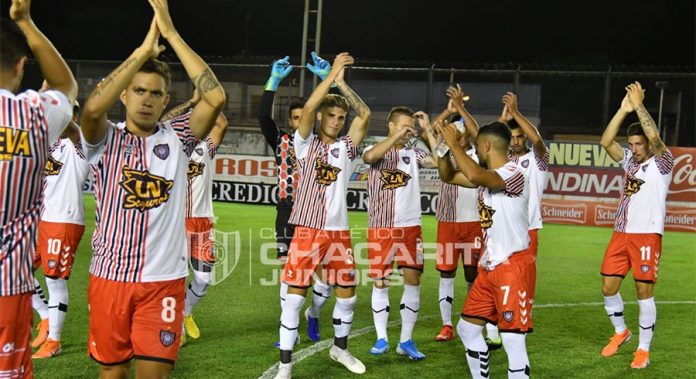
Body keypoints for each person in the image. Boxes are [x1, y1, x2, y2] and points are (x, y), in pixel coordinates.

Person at [79, 0, 225, 376]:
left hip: (163, 282)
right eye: (139, 90)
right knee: (112, 373)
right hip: (111, 278)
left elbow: (215, 98)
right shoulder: (105, 140)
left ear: (166, 100)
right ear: (124, 95)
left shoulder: (178, 137)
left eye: (155, 93)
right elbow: (92, 111)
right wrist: (142, 51)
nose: (146, 99)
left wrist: (171, 33)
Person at [276, 52, 370, 379]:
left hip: (339, 232)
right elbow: (309, 109)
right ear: (319, 118)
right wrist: (329, 76)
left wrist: (342, 84)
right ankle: (285, 368)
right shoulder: (304, 144)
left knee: (348, 296)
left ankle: (339, 349)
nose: (336, 120)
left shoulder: (346, 148)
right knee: (293, 301)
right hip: (308, 230)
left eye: (340, 117)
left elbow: (365, 114)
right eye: (330, 115)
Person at [0, 0, 78, 375]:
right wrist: (26, 22)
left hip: (61, 219)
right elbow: (65, 86)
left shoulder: (69, 141)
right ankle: (48, 322)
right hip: (8, 286)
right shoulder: (31, 115)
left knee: (52, 280)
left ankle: (53, 330)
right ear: (19, 67)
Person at [437, 121, 534, 378]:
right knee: (467, 330)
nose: (476, 152)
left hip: (512, 267)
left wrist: (454, 144)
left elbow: (476, 175)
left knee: (513, 341)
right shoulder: (486, 177)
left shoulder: (513, 173)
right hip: (489, 268)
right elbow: (447, 176)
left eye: (478, 147)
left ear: (487, 145)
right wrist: (442, 150)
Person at [257, 53, 335, 345]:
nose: (300, 121)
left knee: (325, 279)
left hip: (321, 214)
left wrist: (332, 80)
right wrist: (273, 81)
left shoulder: (327, 143)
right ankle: (288, 330)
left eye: (306, 116)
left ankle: (313, 312)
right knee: (287, 271)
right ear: (290, 120)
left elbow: (341, 112)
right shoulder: (282, 141)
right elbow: (264, 116)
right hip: (288, 210)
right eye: (295, 117)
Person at [598, 81, 673, 369]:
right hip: (621, 233)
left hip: (647, 236)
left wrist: (639, 105)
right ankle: (621, 333)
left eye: (638, 144)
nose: (634, 149)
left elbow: (654, 137)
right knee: (608, 287)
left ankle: (643, 349)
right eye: (631, 145)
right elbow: (605, 143)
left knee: (644, 293)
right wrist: (622, 109)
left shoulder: (663, 163)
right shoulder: (629, 162)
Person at [363, 106, 436, 360]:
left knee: (413, 281)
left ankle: (406, 340)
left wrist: (427, 131)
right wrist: (396, 138)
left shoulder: (413, 154)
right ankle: (381, 337)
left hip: (410, 227)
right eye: (404, 126)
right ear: (391, 126)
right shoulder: (377, 149)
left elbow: (438, 161)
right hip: (382, 227)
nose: (408, 131)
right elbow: (369, 157)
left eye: (410, 127)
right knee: (381, 281)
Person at [161, 92, 229, 344]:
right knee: (174, 279)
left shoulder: (206, 147)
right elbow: (162, 121)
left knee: (203, 279)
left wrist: (208, 99)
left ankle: (185, 312)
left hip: (202, 222)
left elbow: (222, 123)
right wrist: (190, 102)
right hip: (174, 222)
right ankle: (173, 327)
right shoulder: (169, 147)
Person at [31, 100, 89, 359]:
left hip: (64, 220)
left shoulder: (82, 143)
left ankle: (54, 341)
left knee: (54, 281)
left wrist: (57, 106)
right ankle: (45, 316)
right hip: (41, 219)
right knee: (12, 268)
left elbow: (73, 130)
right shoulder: (48, 145)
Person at [429, 86, 485, 344]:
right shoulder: (444, 153)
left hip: (475, 223)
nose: (460, 132)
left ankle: (473, 319)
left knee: (473, 275)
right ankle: (447, 324)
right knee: (446, 273)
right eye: (456, 129)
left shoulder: (479, 156)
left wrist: (461, 110)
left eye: (462, 129)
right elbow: (432, 128)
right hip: (448, 223)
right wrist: (449, 110)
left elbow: (478, 133)